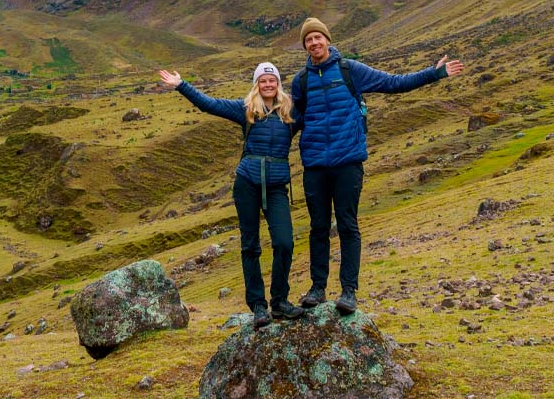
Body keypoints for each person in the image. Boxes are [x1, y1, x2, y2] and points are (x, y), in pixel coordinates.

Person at [290, 17, 465, 315]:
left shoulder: (350, 70)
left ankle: (349, 291)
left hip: (348, 161)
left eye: (319, 37)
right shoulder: (301, 81)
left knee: (347, 223)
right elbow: (291, 122)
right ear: (305, 46)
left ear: (328, 40)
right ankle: (317, 288)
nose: (314, 43)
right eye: (309, 40)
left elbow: (393, 83)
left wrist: (433, 74)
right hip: (316, 164)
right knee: (318, 227)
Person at [159, 62, 303, 328]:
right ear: (257, 84)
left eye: (272, 80)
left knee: (284, 242)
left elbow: (321, 117)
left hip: (276, 187)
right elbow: (209, 104)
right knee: (251, 245)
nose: (268, 84)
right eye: (263, 80)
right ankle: (258, 306)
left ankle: (280, 301)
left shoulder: (291, 112)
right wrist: (182, 85)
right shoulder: (246, 109)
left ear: (279, 84)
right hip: (247, 183)